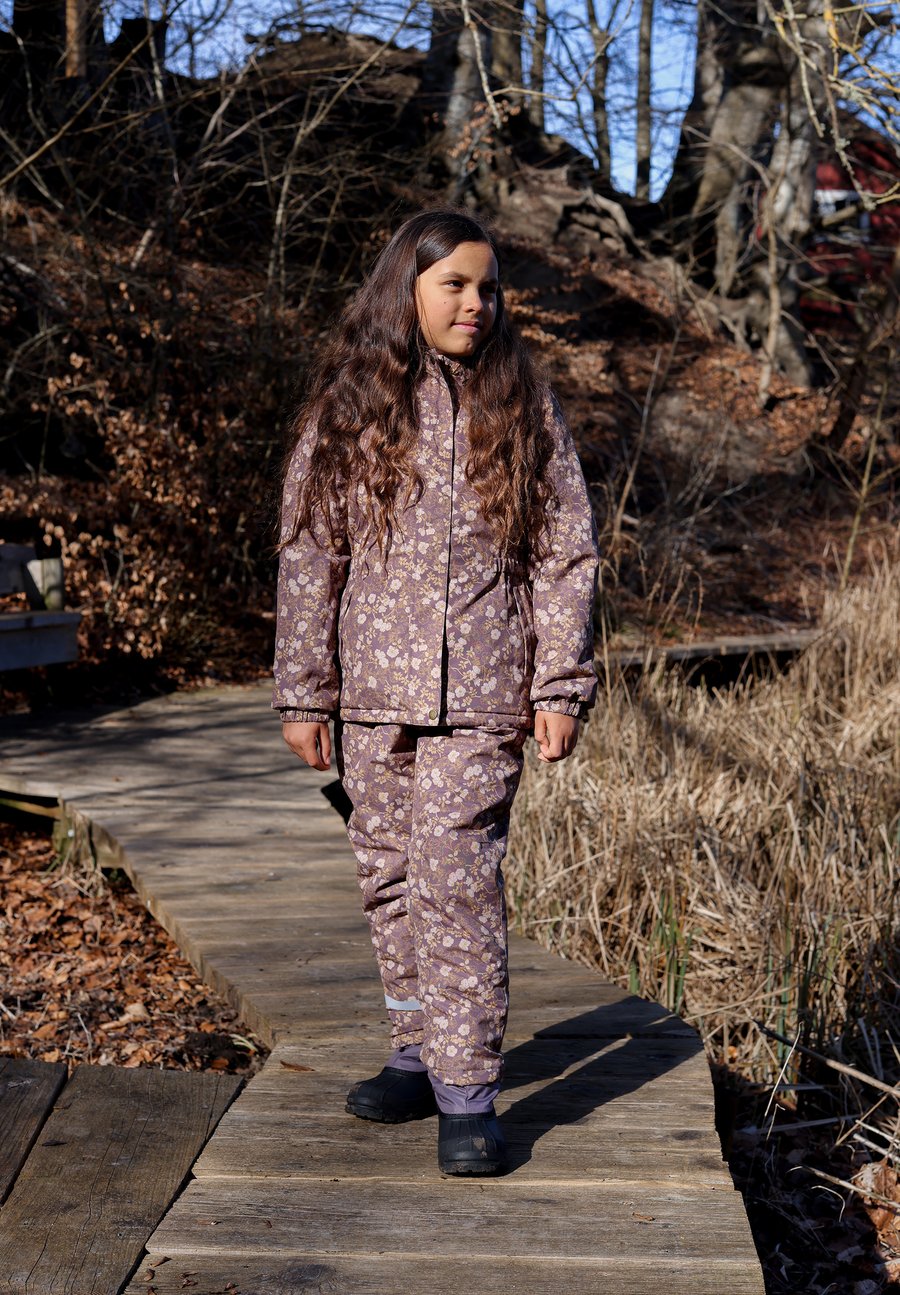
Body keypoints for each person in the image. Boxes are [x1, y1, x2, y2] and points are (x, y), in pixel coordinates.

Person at [273, 207, 598, 1176]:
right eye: (454, 283)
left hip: (487, 692)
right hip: (373, 694)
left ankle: (468, 1091)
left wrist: (561, 683)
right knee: (389, 874)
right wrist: (305, 691)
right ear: (405, 290)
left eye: (488, 286)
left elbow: (566, 553)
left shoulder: (523, 404)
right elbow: (310, 552)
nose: (475, 302)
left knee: (456, 878)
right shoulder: (352, 405)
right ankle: (416, 1050)